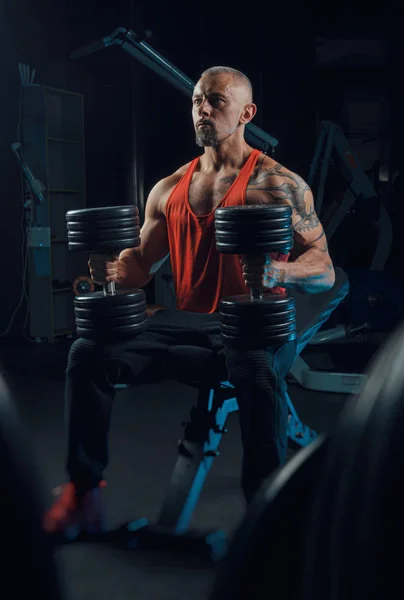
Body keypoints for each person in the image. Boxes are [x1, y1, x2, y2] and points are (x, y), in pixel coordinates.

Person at [43, 66, 335, 537]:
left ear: (246, 112)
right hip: (191, 327)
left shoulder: (279, 186)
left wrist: (279, 271)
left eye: (217, 100)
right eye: (198, 100)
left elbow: (324, 270)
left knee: (257, 371)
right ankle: (82, 491)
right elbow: (139, 266)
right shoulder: (170, 188)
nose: (203, 108)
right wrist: (111, 270)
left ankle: (264, 519)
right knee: (88, 351)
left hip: (253, 330)